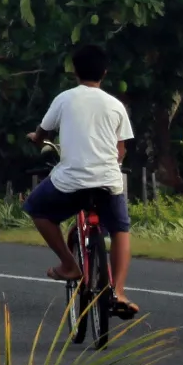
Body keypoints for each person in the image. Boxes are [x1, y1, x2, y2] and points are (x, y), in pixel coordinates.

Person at [24, 43, 141, 319]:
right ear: (105, 72)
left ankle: (69, 264)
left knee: (36, 209)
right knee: (121, 229)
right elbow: (120, 150)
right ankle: (119, 292)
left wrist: (36, 139)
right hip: (108, 182)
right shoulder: (116, 105)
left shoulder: (64, 99)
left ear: (75, 71)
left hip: (70, 182)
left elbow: (42, 133)